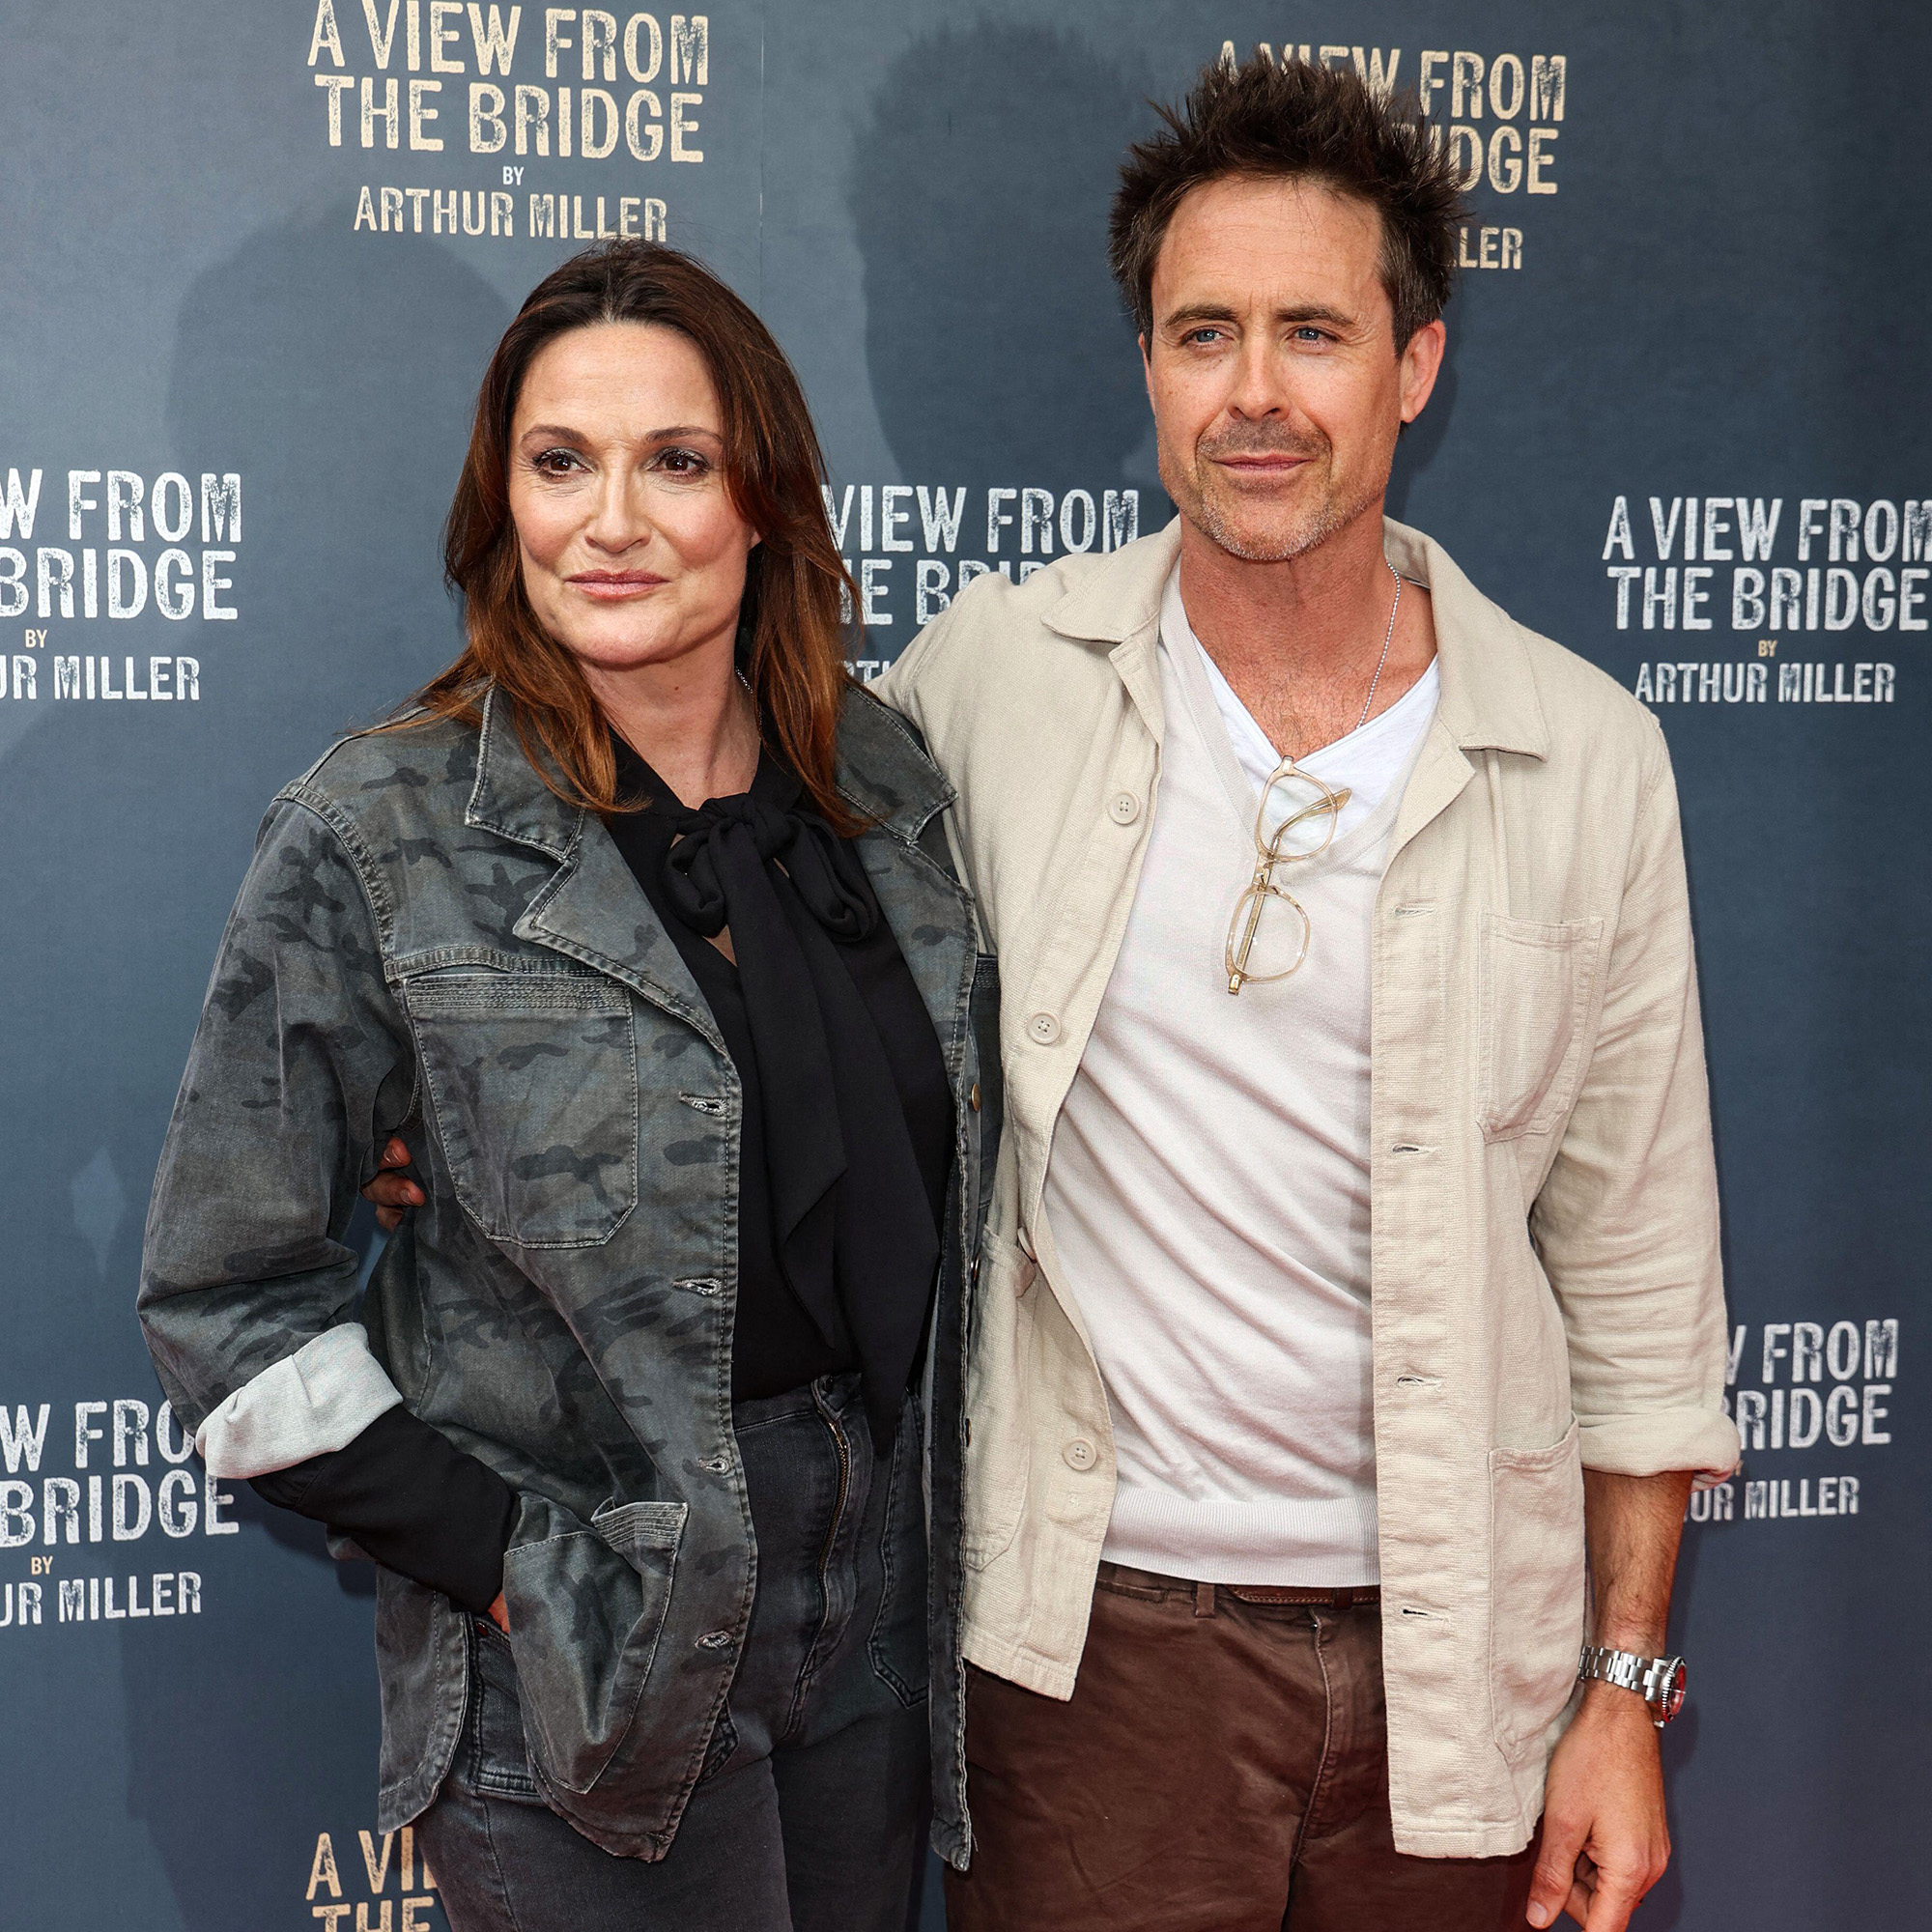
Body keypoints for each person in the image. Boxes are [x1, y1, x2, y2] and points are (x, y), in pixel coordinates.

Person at [874, 56, 1738, 1932]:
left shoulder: (1581, 753)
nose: (1254, 392)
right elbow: (758, 944)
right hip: (1090, 1663)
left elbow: (1640, 1268)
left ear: (1410, 365)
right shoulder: (991, 680)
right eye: (1203, 333)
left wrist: (1625, 1689)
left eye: (1311, 333)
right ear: (1149, 369)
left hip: (1465, 1670)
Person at [137, 241, 997, 1932]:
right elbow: (221, 1303)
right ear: (498, 501)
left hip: (880, 1608)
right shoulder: (379, 834)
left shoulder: (883, 789)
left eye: (675, 461)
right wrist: (520, 1571)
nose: (610, 520)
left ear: (763, 498)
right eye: (559, 463)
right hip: (599, 1638)